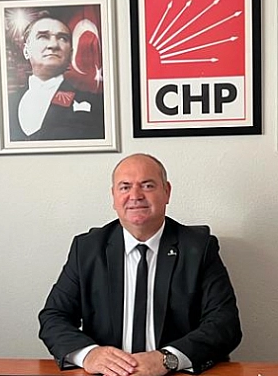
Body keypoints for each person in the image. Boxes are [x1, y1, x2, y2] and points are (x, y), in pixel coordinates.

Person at [39, 153, 242, 376]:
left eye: (147, 185)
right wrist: (89, 355)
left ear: (167, 192)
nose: (135, 196)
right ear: (114, 196)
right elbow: (54, 316)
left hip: (174, 374)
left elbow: (225, 324)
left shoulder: (199, 247)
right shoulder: (87, 249)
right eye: (125, 187)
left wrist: (168, 359)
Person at [8, 12, 105, 141]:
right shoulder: (7, 103)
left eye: (62, 38)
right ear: (26, 51)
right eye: (43, 36)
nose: (53, 45)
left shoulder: (96, 104)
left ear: (70, 54)